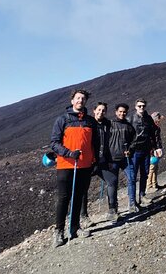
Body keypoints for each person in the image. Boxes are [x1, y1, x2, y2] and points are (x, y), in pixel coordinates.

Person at [49, 88, 99, 247]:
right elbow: (54, 143)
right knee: (63, 198)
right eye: (77, 98)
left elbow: (95, 143)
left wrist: (94, 159)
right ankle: (59, 231)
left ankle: (75, 227)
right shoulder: (62, 120)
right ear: (72, 101)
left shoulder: (90, 121)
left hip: (84, 165)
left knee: (78, 197)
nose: (80, 101)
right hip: (66, 165)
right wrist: (69, 153)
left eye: (83, 99)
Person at [98, 103, 135, 222]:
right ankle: (112, 209)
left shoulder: (129, 126)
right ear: (116, 112)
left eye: (124, 112)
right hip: (112, 160)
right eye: (120, 111)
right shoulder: (109, 124)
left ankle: (132, 203)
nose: (122, 114)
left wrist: (130, 150)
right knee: (112, 184)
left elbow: (134, 140)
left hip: (125, 159)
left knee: (132, 178)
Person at [79, 101, 110, 229]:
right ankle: (83, 216)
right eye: (99, 110)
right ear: (94, 110)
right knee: (83, 189)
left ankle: (112, 209)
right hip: (89, 161)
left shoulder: (108, 124)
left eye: (103, 110)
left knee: (111, 181)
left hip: (102, 160)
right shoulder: (89, 123)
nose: (101, 112)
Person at [126, 98, 159, 210]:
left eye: (143, 106)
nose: (141, 108)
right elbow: (125, 133)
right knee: (132, 176)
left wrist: (155, 147)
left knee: (145, 173)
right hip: (134, 151)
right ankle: (132, 202)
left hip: (146, 150)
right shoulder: (130, 118)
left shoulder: (148, 118)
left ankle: (142, 195)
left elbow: (153, 133)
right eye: (139, 106)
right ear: (135, 106)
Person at [146, 112, 164, 192]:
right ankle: (149, 186)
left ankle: (154, 183)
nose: (160, 120)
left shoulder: (157, 128)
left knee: (155, 167)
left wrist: (159, 148)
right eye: (159, 118)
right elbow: (151, 140)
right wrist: (153, 150)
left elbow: (158, 140)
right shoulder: (150, 128)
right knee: (152, 168)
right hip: (151, 150)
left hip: (156, 149)